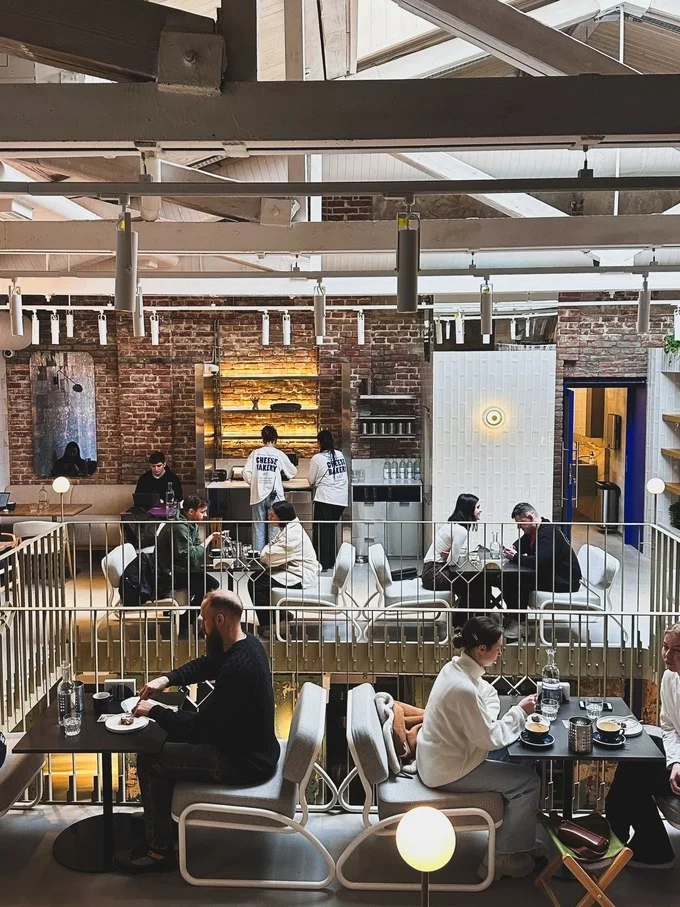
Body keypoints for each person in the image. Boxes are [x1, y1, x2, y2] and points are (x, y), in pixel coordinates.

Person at [114, 589, 280, 874]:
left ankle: (159, 850)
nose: (201, 627)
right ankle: (159, 821)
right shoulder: (247, 644)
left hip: (244, 762)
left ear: (219, 620)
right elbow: (207, 664)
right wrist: (166, 679)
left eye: (204, 620)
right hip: (248, 747)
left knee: (151, 758)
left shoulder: (239, 670)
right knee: (163, 739)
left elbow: (198, 730)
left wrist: (154, 711)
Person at [417, 615, 540, 880]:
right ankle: (500, 857)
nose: (500, 654)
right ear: (482, 649)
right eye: (498, 648)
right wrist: (520, 712)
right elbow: (488, 738)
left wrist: (487, 716)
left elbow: (488, 696)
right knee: (528, 782)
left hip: (440, 757)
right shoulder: (463, 689)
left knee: (519, 758)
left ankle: (513, 839)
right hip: (449, 770)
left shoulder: (453, 669)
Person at [605, 622, 680, 868]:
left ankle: (622, 841)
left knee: (635, 772)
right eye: (665, 647)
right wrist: (676, 762)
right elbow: (669, 727)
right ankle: (642, 844)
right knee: (635, 756)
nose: (668, 656)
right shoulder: (670, 677)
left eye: (677, 650)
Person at [501, 502, 581, 638]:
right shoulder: (536, 530)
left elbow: (539, 562)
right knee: (507, 578)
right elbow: (522, 543)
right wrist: (513, 548)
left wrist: (515, 557)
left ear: (530, 517)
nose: (518, 527)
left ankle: (521, 624)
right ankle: (514, 617)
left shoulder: (548, 533)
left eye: (521, 523)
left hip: (564, 581)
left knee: (516, 580)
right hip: (553, 575)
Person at [421, 494, 497, 624]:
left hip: (430, 571)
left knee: (477, 582)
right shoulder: (460, 530)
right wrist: (452, 556)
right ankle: (475, 621)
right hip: (435, 574)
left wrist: (452, 555)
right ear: (469, 509)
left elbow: (453, 558)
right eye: (478, 507)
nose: (481, 510)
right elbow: (453, 562)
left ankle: (468, 620)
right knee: (477, 583)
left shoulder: (451, 525)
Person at [249, 500, 321, 634]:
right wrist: (268, 549)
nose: (269, 517)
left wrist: (266, 550)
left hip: (300, 576)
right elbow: (271, 549)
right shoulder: (289, 528)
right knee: (258, 578)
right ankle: (282, 615)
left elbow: (267, 556)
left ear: (282, 517)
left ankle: (271, 625)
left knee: (256, 583)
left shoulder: (292, 535)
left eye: (272, 515)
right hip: (293, 570)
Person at [155, 494, 220, 617]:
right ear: (191, 512)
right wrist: (209, 538)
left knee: (212, 584)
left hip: (179, 568)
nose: (205, 515)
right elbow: (192, 555)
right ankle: (186, 622)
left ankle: (186, 619)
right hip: (167, 573)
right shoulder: (179, 527)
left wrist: (200, 547)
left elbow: (196, 547)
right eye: (202, 512)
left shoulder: (191, 524)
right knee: (206, 586)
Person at [242, 425, 297, 553]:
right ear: (275, 439)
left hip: (258, 495)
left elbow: (245, 472)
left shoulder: (255, 453)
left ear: (263, 439)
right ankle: (273, 558)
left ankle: (259, 559)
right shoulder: (279, 454)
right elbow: (292, 472)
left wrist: (254, 483)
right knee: (275, 528)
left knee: (258, 529)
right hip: (275, 495)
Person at [308, 430, 348, 572]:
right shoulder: (340, 455)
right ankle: (331, 561)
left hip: (325, 498)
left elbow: (310, 480)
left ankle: (322, 563)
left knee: (321, 532)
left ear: (319, 443)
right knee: (330, 530)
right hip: (341, 500)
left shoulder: (317, 458)